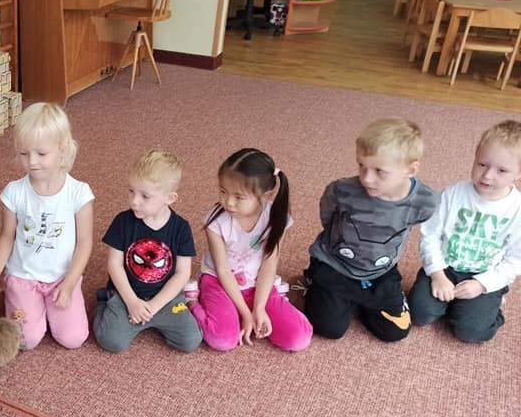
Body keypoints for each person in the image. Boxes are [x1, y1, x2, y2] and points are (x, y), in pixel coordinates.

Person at [304, 117, 438, 341]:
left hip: (380, 271)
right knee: (329, 329)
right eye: (361, 166)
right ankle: (317, 284)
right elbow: (327, 217)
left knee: (395, 332)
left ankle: (361, 300)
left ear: (411, 169)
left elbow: (428, 228)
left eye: (380, 171)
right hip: (335, 265)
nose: (367, 178)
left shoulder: (426, 201)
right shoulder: (341, 190)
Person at [0, 103, 94, 349]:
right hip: (24, 275)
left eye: (41, 154)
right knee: (25, 341)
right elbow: (7, 235)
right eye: (23, 153)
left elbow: (84, 243)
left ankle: (47, 306)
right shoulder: (14, 192)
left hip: (62, 276)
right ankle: (17, 295)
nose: (31, 162)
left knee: (73, 339)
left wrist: (70, 283)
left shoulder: (79, 193)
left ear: (63, 150)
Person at [188, 148, 312, 352]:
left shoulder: (276, 217)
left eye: (239, 196)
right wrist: (247, 314)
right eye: (223, 191)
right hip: (220, 281)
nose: (228, 202)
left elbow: (269, 265)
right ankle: (192, 301)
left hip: (258, 282)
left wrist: (259, 308)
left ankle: (265, 303)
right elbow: (223, 270)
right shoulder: (216, 220)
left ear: (265, 195)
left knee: (299, 339)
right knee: (222, 341)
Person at [409, 119, 521, 342]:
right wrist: (437, 275)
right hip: (446, 267)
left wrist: (482, 284)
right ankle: (454, 303)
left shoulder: (517, 210)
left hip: (485, 273)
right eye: (482, 164)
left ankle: (491, 307)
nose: (487, 175)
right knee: (418, 314)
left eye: (501, 170)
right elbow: (430, 235)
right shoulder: (452, 194)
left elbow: (515, 260)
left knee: (470, 332)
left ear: (518, 173)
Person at [93, 148, 202, 353]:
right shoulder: (122, 222)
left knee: (190, 340)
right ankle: (103, 301)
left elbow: (182, 273)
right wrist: (132, 302)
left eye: (145, 196)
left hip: (165, 298)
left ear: (170, 198)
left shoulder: (181, 228)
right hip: (126, 294)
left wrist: (154, 306)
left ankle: (153, 314)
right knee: (111, 341)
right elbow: (114, 265)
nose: (134, 201)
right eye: (131, 191)